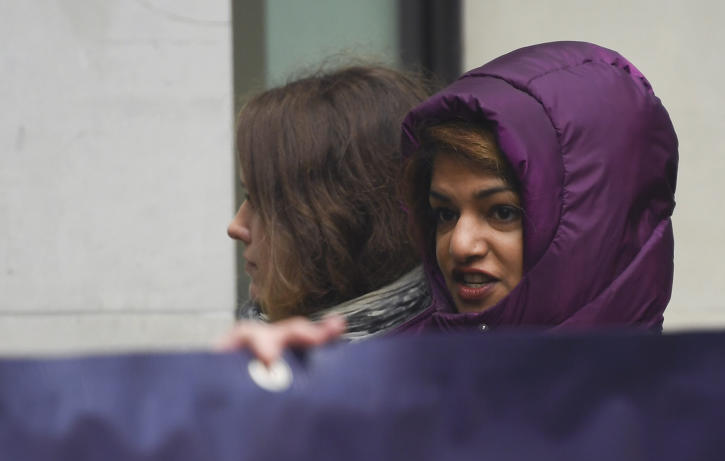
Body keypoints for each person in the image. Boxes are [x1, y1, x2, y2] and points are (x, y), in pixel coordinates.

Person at [229, 41, 678, 360]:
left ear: (596, 228)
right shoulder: (396, 381)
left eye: (501, 212)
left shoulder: (703, 413)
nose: (460, 245)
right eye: (443, 214)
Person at [220, 63, 434, 347]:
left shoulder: (431, 369)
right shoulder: (261, 344)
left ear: (343, 217)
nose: (236, 227)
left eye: (260, 202)